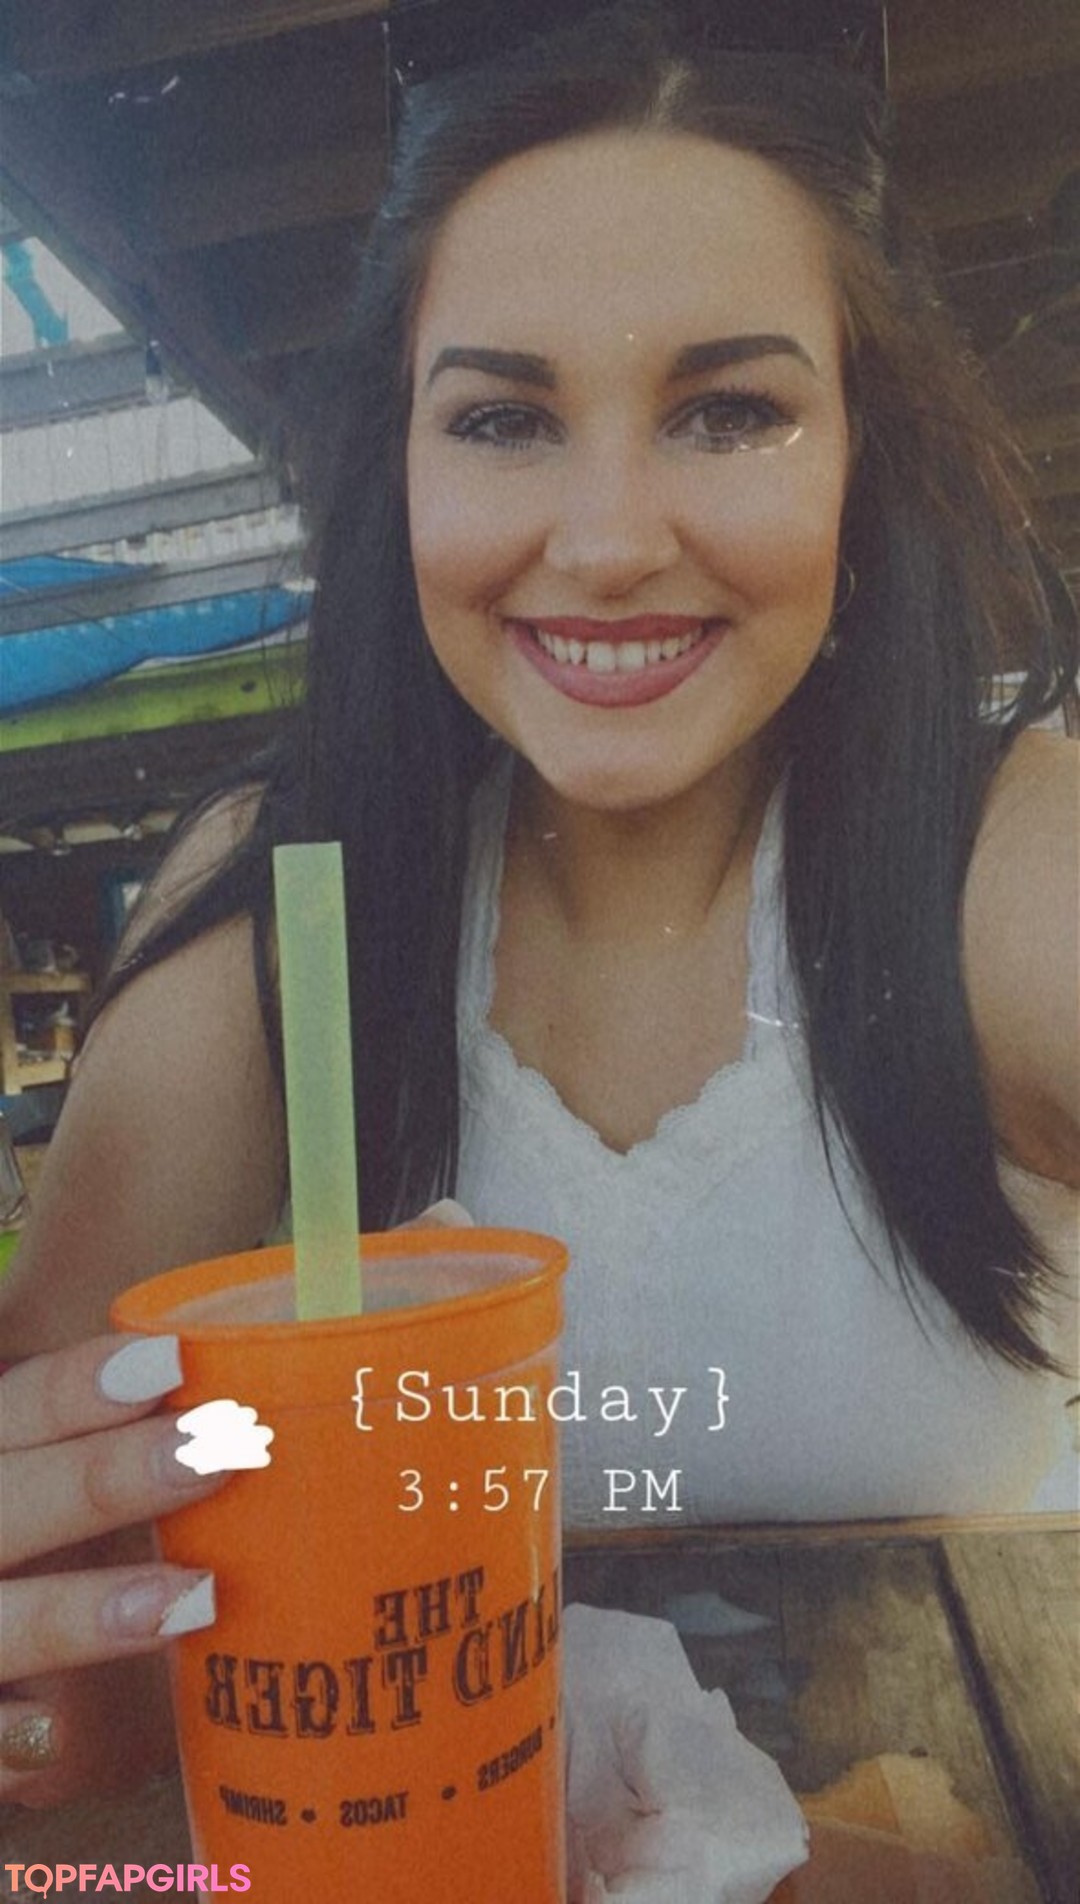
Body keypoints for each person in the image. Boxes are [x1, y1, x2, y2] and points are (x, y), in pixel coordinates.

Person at [1, 0, 1076, 1813]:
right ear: (399, 466)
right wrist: (60, 1694)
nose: (606, 539)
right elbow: (72, 1650)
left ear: (860, 456)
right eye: (503, 418)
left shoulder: (1010, 864)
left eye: (730, 412)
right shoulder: (274, 901)